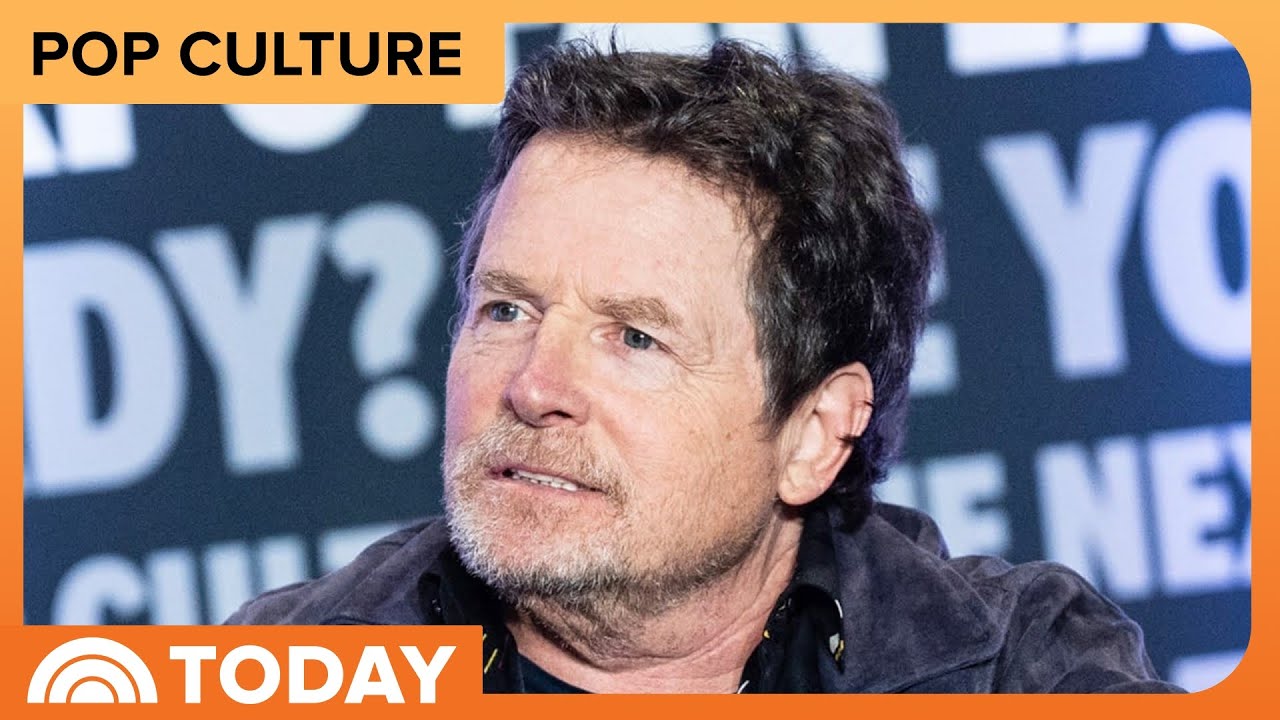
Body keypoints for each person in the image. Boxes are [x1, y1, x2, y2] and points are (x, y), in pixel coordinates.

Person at [227, 38, 1180, 694]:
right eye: (507, 310)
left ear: (813, 435)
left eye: (635, 338)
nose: (533, 386)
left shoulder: (1021, 669)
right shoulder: (277, 671)